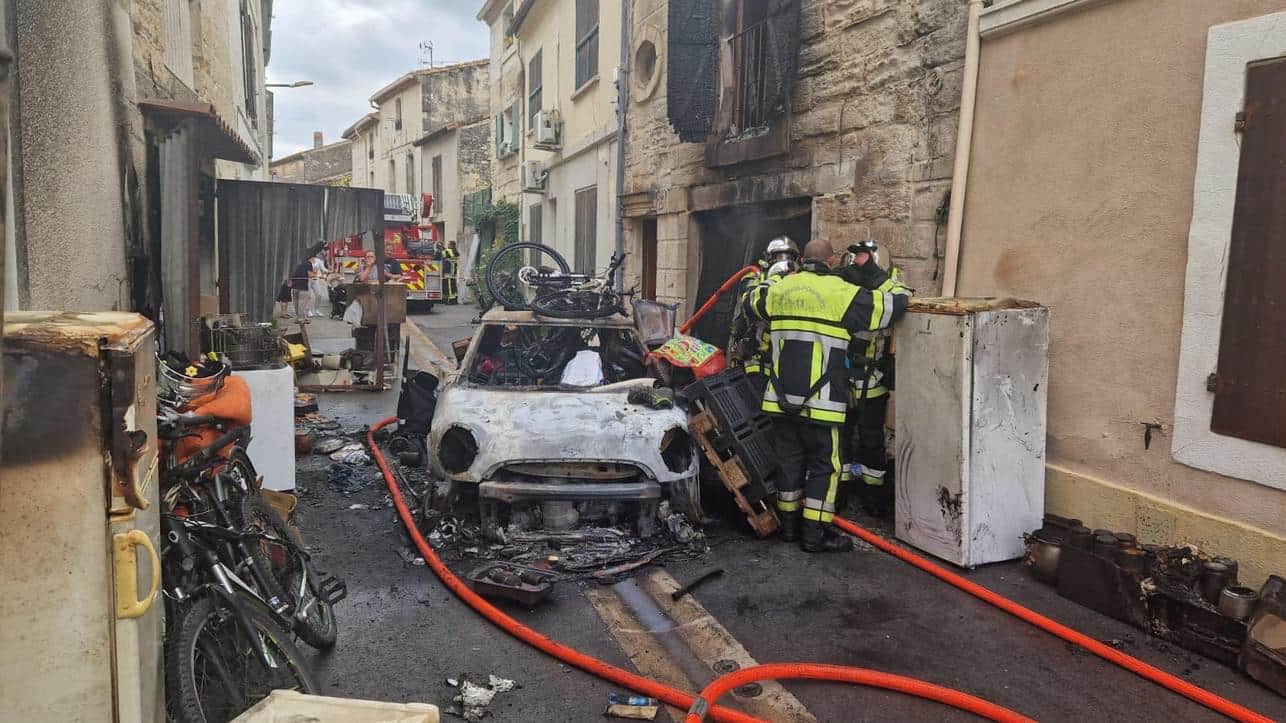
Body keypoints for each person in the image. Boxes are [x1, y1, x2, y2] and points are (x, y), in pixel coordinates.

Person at [746, 239, 911, 552]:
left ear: (802, 261)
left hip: (780, 400)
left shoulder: (780, 289)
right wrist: (874, 272)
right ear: (832, 261)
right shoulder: (841, 292)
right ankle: (815, 534)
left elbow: (750, 300)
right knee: (826, 467)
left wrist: (775, 275)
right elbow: (899, 302)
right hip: (821, 404)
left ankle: (789, 528)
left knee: (789, 463)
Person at [836, 239, 908, 518]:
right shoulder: (844, 286)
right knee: (840, 436)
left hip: (872, 378)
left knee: (871, 438)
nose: (857, 263)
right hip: (843, 376)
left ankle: (873, 494)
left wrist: (875, 277)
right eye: (855, 259)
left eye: (863, 259)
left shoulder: (889, 287)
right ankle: (840, 491)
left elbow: (903, 298)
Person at [729, 236, 799, 399]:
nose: (784, 261)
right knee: (754, 398)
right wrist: (776, 279)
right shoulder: (754, 278)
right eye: (779, 256)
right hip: (758, 354)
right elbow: (750, 303)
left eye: (789, 256)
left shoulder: (800, 281)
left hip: (788, 354)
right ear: (768, 258)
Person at [442, 240, 460, 305]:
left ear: (452, 245)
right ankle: (452, 298)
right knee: (451, 286)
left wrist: (442, 248)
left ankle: (452, 300)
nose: (448, 245)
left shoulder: (451, 251)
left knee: (449, 287)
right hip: (450, 272)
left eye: (449, 244)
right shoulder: (454, 251)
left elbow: (444, 253)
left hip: (449, 272)